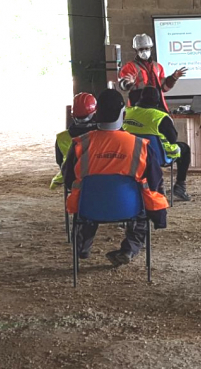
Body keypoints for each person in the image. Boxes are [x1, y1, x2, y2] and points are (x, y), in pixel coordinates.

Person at [63, 88, 169, 267]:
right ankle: (129, 249)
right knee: (143, 206)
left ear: (97, 114)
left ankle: (82, 246)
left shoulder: (80, 144)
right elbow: (154, 181)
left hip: (88, 208)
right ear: (124, 114)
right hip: (130, 209)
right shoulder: (140, 146)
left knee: (85, 197)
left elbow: (68, 180)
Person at [123, 86, 192, 202]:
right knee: (185, 149)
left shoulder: (128, 112)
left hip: (132, 155)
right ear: (158, 99)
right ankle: (180, 186)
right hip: (158, 157)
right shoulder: (160, 116)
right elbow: (172, 139)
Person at [118, 33, 187, 111]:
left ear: (150, 49)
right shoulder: (130, 67)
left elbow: (164, 88)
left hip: (157, 105)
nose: (144, 51)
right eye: (141, 49)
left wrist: (173, 78)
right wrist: (128, 83)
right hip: (138, 105)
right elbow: (122, 85)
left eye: (146, 48)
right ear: (136, 51)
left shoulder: (158, 67)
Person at [50, 92, 98, 189]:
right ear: (95, 112)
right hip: (99, 181)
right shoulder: (102, 134)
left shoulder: (61, 138)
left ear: (72, 115)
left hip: (73, 183)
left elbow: (60, 162)